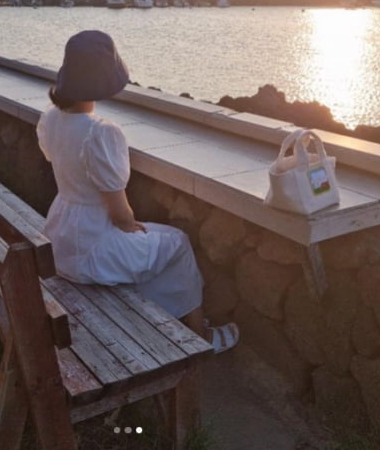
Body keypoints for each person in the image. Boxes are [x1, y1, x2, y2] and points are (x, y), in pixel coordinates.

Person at [36, 30, 239, 353]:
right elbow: (119, 212)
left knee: (151, 249)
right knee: (177, 243)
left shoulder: (50, 120)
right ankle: (199, 335)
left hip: (61, 239)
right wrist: (131, 226)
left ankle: (160, 324)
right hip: (92, 251)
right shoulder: (101, 132)